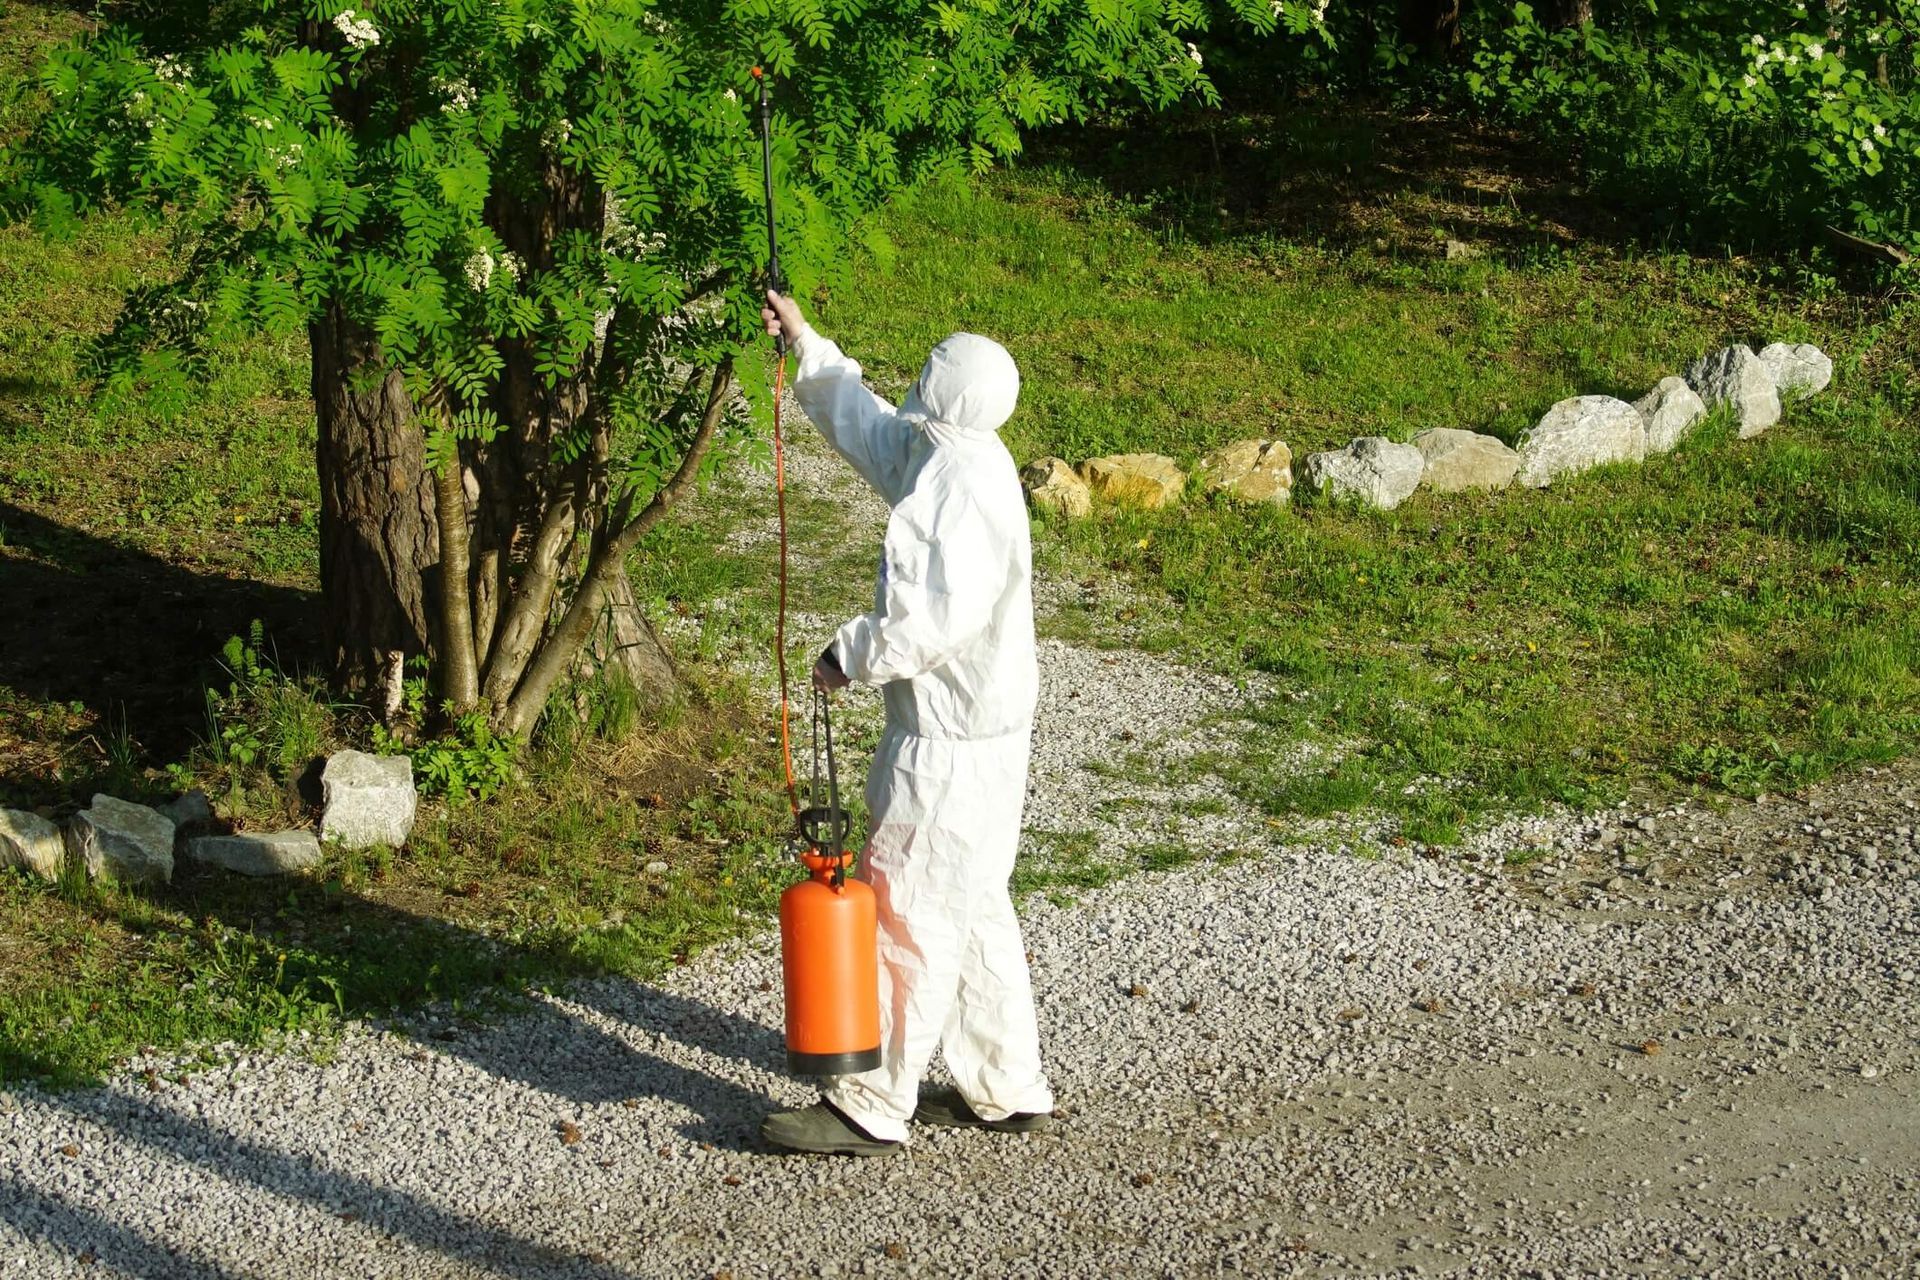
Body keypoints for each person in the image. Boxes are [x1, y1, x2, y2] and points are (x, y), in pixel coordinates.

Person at [757, 290, 1055, 1156]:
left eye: (928, 374)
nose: (916, 384)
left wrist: (849, 654)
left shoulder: (963, 490)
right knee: (973, 907)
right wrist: (808, 342)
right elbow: (874, 430)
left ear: (945, 391)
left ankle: (871, 1104)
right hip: (981, 740)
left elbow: (931, 620)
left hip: (949, 747)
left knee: (909, 910)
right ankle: (1006, 1083)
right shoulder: (957, 454)